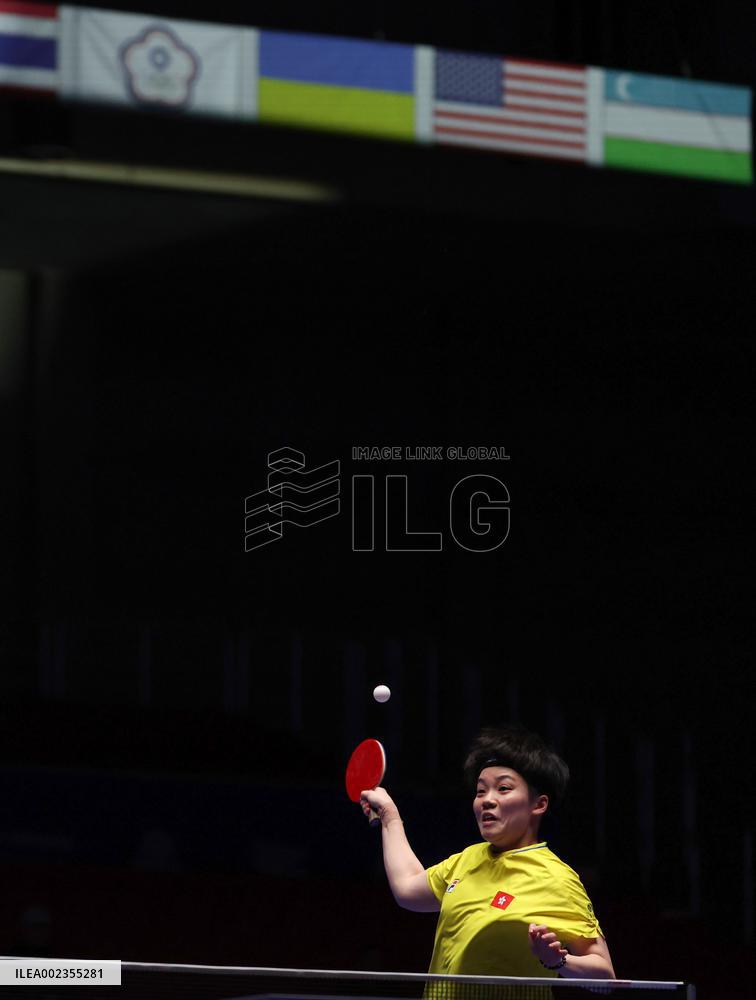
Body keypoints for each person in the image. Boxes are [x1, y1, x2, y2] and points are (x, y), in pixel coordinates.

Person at [361, 725, 615, 981]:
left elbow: (605, 978)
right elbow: (407, 889)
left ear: (538, 805)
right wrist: (389, 816)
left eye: (503, 789)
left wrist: (558, 961)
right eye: (481, 791)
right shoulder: (467, 859)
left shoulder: (557, 878)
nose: (487, 800)